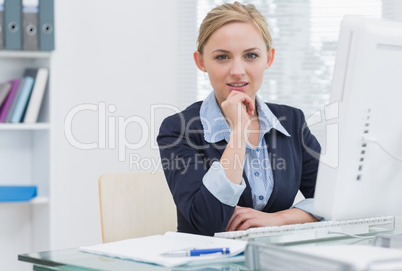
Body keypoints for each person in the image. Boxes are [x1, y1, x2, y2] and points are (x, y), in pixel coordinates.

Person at [157, 2, 321, 236]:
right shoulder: (178, 130)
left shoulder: (292, 122)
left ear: (269, 58)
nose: (237, 70)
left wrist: (278, 219)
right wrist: (238, 132)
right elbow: (207, 221)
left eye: (251, 55)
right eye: (222, 57)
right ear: (201, 62)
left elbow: (332, 199)